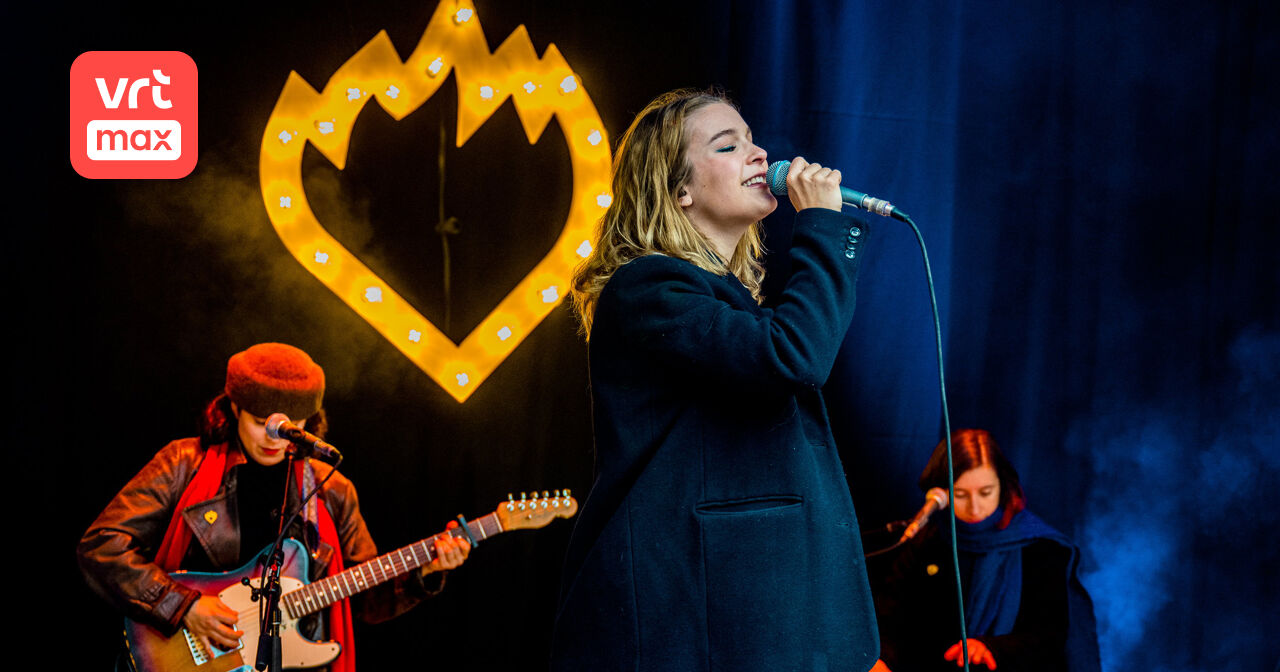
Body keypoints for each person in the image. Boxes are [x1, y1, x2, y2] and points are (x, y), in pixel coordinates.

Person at [551, 88, 879, 671]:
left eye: (754, 140)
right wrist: (823, 226)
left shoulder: (729, 304)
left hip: (750, 613)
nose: (759, 155)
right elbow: (794, 355)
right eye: (729, 146)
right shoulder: (647, 290)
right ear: (679, 189)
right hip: (695, 616)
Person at [78, 342, 470, 671]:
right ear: (234, 409)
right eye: (259, 421)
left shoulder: (332, 489)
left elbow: (365, 600)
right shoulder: (184, 461)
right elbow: (102, 546)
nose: (273, 439)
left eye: (288, 426)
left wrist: (426, 571)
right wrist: (185, 606)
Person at [871, 429, 1100, 672]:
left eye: (985, 492)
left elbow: (1050, 636)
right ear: (942, 494)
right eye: (960, 495)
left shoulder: (1041, 548)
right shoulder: (927, 542)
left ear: (1003, 485)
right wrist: (883, 658)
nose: (975, 508)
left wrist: (992, 648)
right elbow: (893, 617)